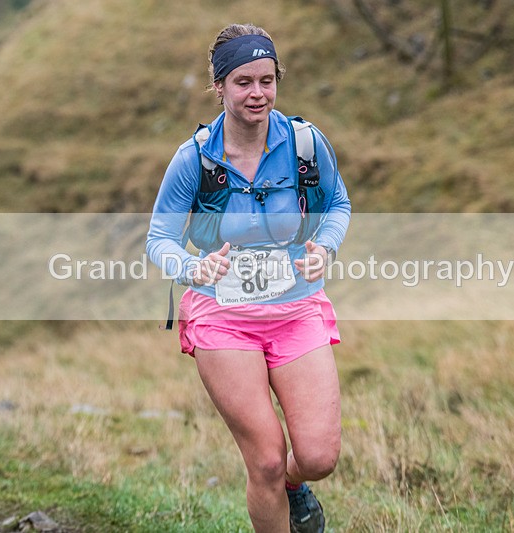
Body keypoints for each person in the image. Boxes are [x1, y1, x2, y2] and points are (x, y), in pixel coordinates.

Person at [146, 22, 350, 533]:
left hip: (296, 308)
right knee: (264, 458)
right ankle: (276, 487)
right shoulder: (194, 158)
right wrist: (194, 266)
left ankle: (294, 485)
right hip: (223, 317)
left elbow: (338, 205)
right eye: (243, 82)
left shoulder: (305, 143)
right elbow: (158, 240)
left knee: (318, 456)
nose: (257, 94)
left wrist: (324, 247)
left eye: (266, 80)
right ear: (218, 86)